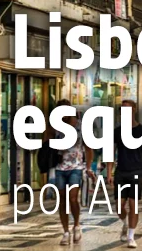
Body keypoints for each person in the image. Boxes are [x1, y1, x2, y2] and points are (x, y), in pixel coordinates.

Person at [108, 99, 142, 249]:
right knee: (119, 206)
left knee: (133, 203)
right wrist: (109, 173)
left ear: (134, 110)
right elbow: (111, 152)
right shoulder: (117, 131)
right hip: (121, 171)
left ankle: (131, 236)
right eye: (122, 110)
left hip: (137, 170)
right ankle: (125, 223)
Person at [53, 99, 94, 245]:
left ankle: (76, 225)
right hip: (59, 168)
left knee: (73, 198)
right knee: (62, 199)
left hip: (76, 167)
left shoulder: (80, 126)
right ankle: (65, 231)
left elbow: (89, 148)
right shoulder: (55, 127)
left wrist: (88, 167)